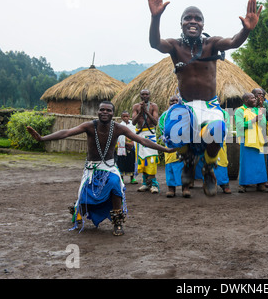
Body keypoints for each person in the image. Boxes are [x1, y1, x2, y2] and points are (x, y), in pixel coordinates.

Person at [144, 0, 262, 196]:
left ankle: (208, 167)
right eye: (188, 18)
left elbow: (234, 42)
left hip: (210, 105)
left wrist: (246, 29)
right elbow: (154, 43)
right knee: (174, 127)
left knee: (217, 129)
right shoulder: (175, 46)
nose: (193, 21)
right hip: (186, 105)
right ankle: (188, 161)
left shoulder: (212, 44)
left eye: (197, 19)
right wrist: (155, 17)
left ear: (203, 23)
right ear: (181, 23)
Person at [26, 101, 175, 236]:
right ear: (97, 112)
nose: (105, 112)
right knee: (84, 196)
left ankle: (117, 222)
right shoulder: (90, 126)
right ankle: (78, 212)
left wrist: (166, 150)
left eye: (108, 110)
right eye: (102, 109)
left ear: (113, 114)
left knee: (115, 184)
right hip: (91, 169)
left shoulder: (118, 128)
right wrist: (42, 138)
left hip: (109, 167)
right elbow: (66, 133)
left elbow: (142, 140)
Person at [235, 93, 268, 193]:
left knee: (260, 163)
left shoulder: (257, 110)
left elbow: (263, 124)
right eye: (252, 98)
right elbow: (240, 125)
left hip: (258, 139)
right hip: (246, 140)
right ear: (246, 100)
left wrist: (261, 115)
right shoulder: (240, 110)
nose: (255, 99)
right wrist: (254, 120)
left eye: (254, 98)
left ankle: (261, 184)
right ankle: (243, 185)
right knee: (246, 163)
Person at [132, 89, 160, 194]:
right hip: (139, 135)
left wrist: (146, 112)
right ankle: (145, 183)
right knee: (141, 159)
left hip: (150, 134)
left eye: (146, 94)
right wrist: (140, 112)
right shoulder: (136, 106)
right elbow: (134, 122)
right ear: (140, 95)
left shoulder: (154, 106)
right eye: (142, 94)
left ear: (149, 95)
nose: (145, 96)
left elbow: (155, 122)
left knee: (151, 159)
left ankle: (153, 184)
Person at [158, 95, 186, 198]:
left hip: (183, 144)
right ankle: (171, 188)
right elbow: (162, 127)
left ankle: (185, 188)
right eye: (172, 101)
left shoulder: (186, 113)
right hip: (169, 143)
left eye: (176, 100)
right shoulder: (165, 115)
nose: (174, 102)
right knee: (170, 166)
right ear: (169, 103)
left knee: (184, 165)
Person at [115, 111, 138, 185]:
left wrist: (132, 143)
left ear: (129, 117)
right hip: (122, 147)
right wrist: (126, 143)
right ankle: (121, 178)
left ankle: (132, 178)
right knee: (121, 162)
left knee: (131, 162)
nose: (125, 118)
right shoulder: (119, 126)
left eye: (127, 116)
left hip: (132, 147)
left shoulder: (133, 125)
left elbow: (135, 134)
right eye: (124, 116)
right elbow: (118, 137)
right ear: (121, 117)